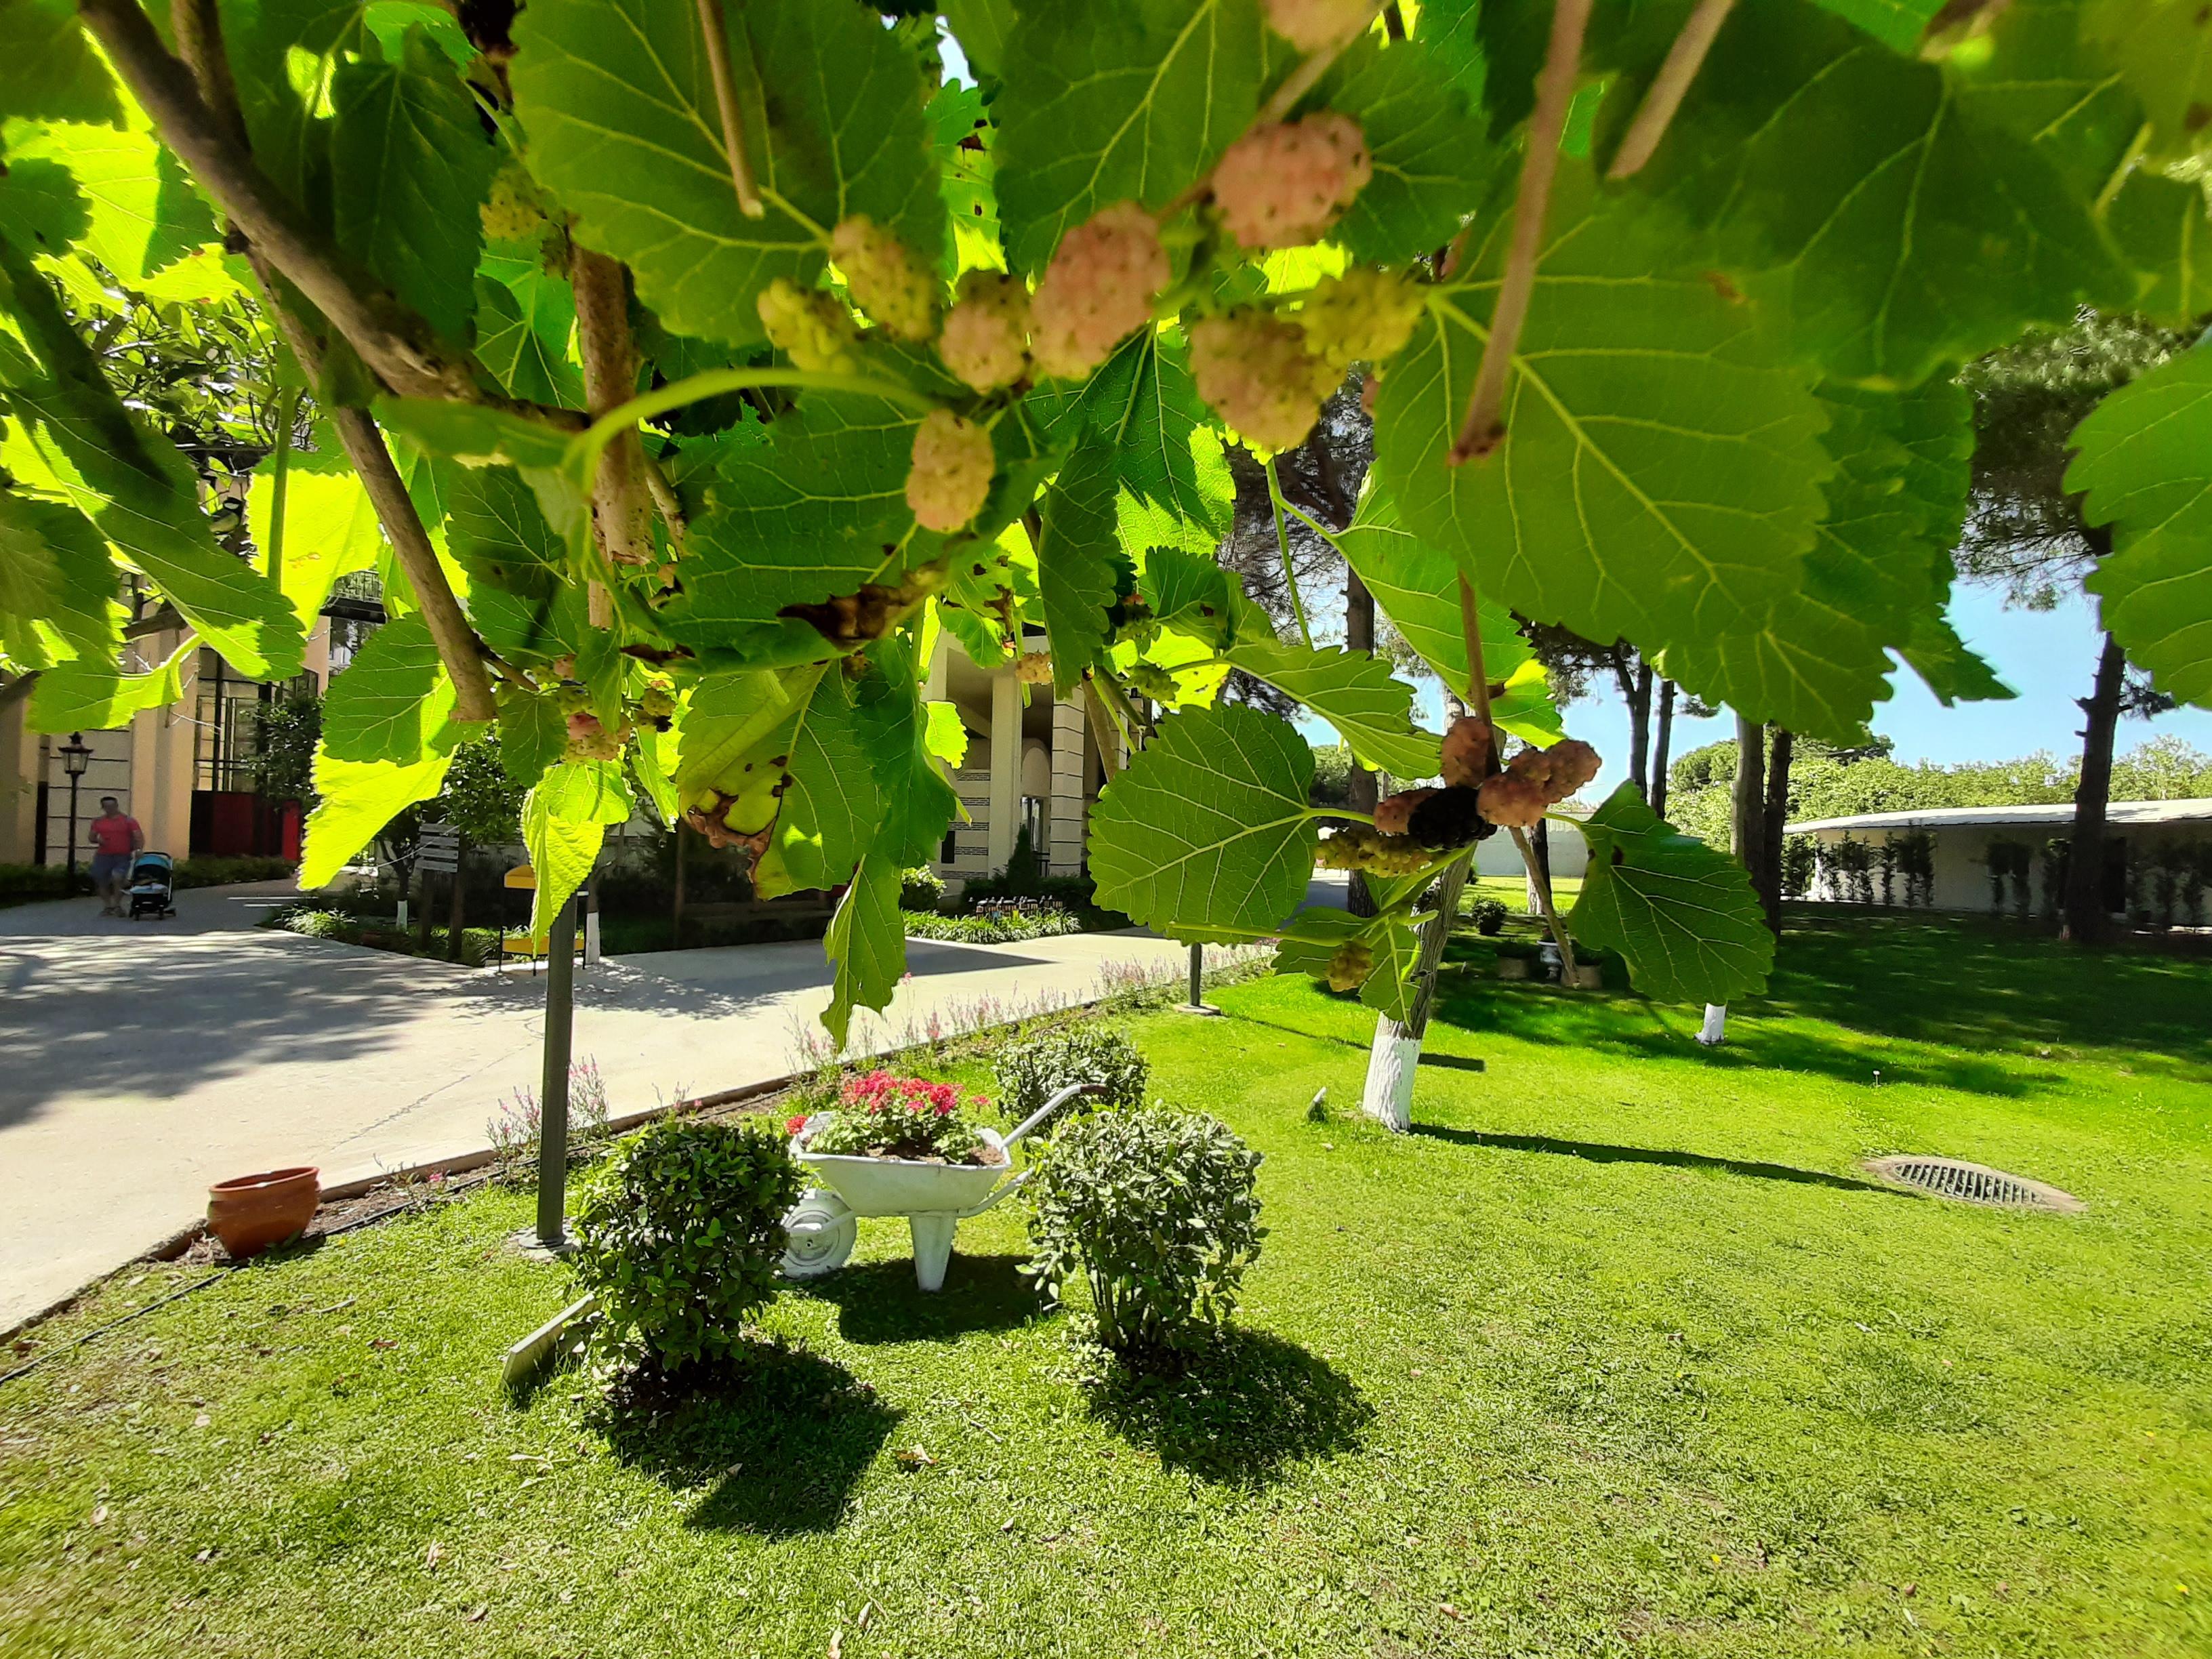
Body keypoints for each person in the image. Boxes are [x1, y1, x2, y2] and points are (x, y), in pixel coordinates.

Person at [87, 796, 143, 916]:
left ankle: (117, 905)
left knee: (118, 878)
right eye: (107, 807)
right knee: (101, 881)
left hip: (122, 856)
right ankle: (108, 906)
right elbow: (91, 838)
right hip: (103, 856)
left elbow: (138, 836)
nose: (110, 809)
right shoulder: (98, 822)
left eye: (112, 806)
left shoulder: (128, 821)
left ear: (117, 806)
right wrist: (98, 840)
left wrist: (138, 849)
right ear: (103, 808)